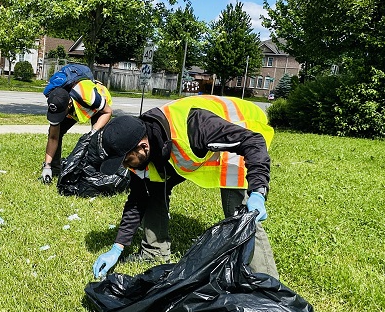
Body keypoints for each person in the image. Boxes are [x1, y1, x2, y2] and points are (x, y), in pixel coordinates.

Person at [92, 95, 277, 279]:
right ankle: (154, 252)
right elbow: (138, 199)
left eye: (126, 160)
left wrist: (258, 192)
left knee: (240, 211)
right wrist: (117, 247)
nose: (125, 166)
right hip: (200, 143)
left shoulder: (196, 126)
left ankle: (265, 280)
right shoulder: (147, 137)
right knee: (152, 187)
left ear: (142, 147)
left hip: (242, 129)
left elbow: (253, 142)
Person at [41, 79, 113, 184]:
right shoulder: (56, 102)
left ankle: (97, 170)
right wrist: (47, 166)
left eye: (61, 114)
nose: (59, 117)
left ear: (69, 104)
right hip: (75, 107)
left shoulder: (88, 96)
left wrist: (94, 132)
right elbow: (53, 137)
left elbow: (108, 112)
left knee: (96, 139)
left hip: (99, 109)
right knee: (58, 131)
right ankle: (55, 168)